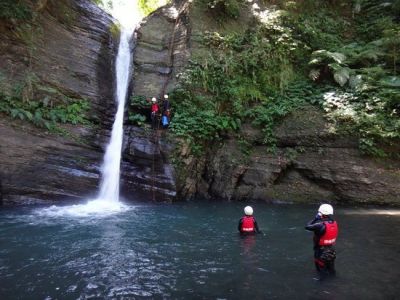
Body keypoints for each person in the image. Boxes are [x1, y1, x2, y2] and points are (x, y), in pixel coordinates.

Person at [305, 204, 338, 274]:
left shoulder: (319, 225)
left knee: (321, 271)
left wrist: (315, 218)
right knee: (331, 270)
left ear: (321, 213)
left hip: (320, 252)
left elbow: (307, 226)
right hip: (331, 250)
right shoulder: (334, 223)